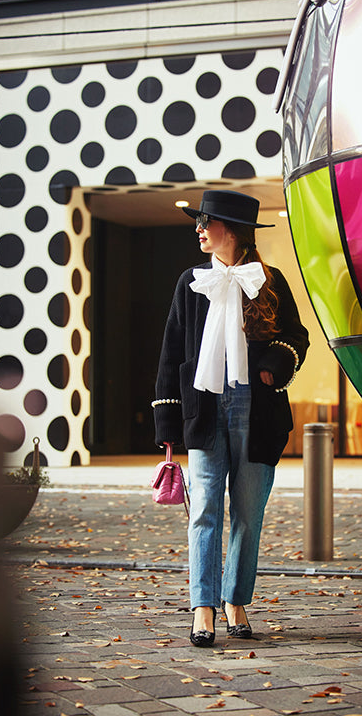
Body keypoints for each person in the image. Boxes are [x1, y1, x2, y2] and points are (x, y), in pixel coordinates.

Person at [153, 190, 309, 647]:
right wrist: (167, 426)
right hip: (204, 405)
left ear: (232, 230)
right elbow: (169, 353)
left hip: (255, 407)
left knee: (247, 511)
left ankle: (235, 600)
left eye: (206, 221)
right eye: (199, 222)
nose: (198, 229)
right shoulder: (190, 281)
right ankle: (203, 607)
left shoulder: (270, 280)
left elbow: (297, 337)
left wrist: (273, 367)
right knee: (203, 510)